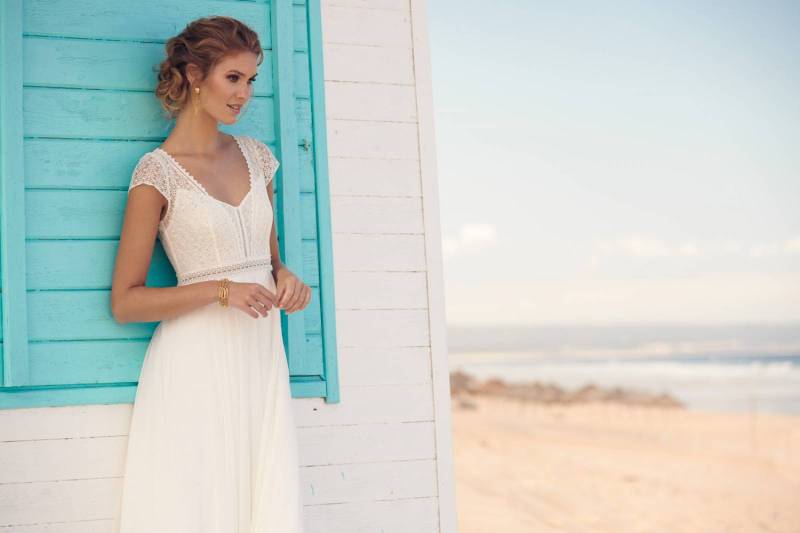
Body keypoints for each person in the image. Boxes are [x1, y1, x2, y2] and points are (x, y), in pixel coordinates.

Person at [110, 16, 307, 532]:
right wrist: (222, 290)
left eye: (251, 80)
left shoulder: (258, 159)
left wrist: (286, 278)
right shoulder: (157, 172)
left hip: (259, 353)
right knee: (199, 501)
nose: (244, 94)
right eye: (233, 78)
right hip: (196, 359)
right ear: (196, 75)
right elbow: (126, 303)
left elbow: (268, 260)